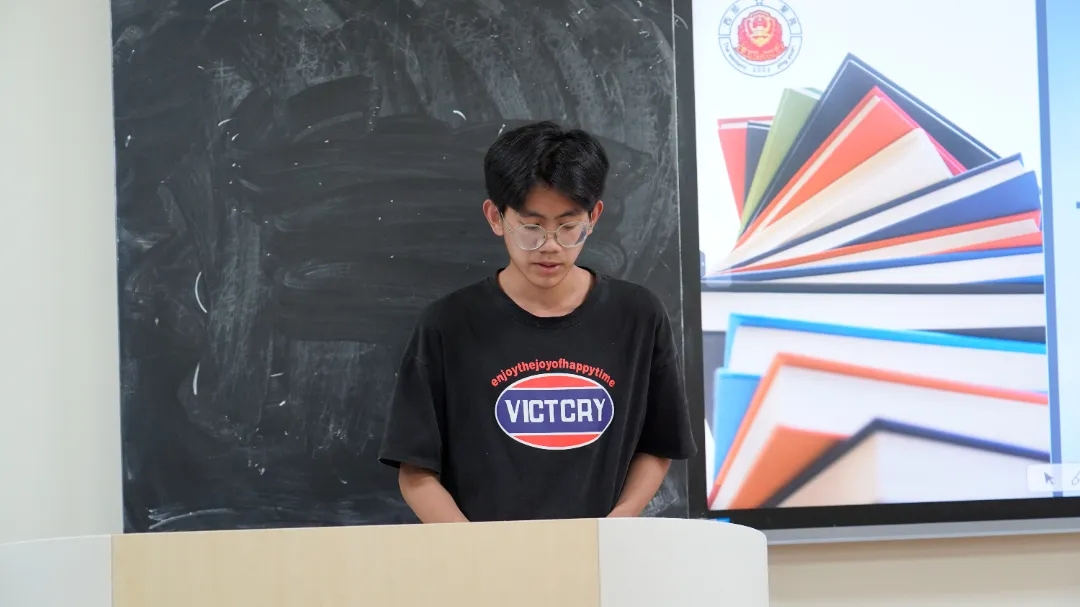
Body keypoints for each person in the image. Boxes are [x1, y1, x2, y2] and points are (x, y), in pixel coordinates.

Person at [377, 121, 696, 523]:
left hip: (600, 552)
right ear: (496, 217)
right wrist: (475, 548)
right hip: (485, 556)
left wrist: (619, 521)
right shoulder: (448, 324)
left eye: (568, 227)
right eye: (530, 228)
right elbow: (416, 470)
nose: (550, 246)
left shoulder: (638, 316)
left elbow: (659, 445)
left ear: (594, 217)